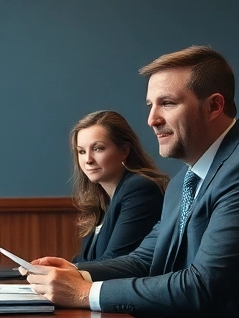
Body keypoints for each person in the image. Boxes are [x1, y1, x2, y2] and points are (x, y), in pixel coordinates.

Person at [25, 46, 239, 318]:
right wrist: (76, 272)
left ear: (214, 106)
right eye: (150, 105)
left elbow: (201, 287)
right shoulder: (184, 180)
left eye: (167, 103)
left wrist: (85, 293)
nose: (151, 119)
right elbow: (146, 259)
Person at [69, 110, 167, 263]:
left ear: (124, 151)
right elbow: (84, 261)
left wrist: (63, 272)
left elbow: (114, 261)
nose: (88, 159)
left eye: (98, 148)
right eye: (81, 151)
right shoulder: (101, 200)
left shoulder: (140, 188)